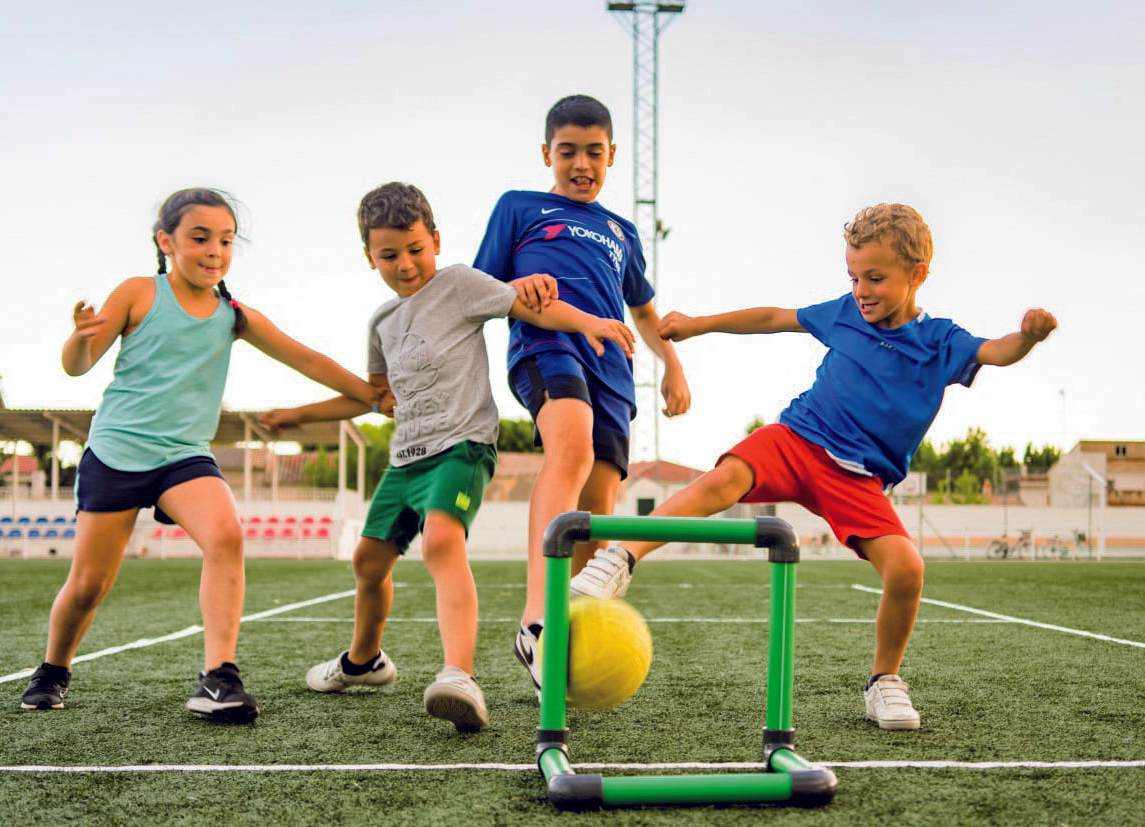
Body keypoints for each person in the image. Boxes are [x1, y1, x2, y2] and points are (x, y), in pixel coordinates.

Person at [570, 202, 1058, 730]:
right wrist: (699, 324)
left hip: (859, 479)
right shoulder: (845, 313)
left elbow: (997, 350)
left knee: (908, 570)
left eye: (875, 278)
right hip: (798, 439)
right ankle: (620, 558)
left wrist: (1028, 336)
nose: (862, 290)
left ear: (917, 275)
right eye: (853, 277)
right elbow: (773, 319)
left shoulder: (940, 341)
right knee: (726, 477)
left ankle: (884, 681)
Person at [261, 182, 634, 731]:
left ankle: (460, 673)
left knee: (440, 540)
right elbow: (373, 397)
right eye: (389, 255)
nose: (406, 264)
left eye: (416, 249)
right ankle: (363, 662)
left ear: (435, 240)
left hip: (461, 449)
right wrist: (297, 416)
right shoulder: (382, 324)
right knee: (367, 563)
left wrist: (589, 323)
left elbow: (533, 306)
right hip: (404, 461)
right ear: (370, 258)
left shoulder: (459, 284)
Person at [19, 187, 378, 723]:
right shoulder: (139, 292)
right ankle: (53, 670)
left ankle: (218, 678)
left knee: (226, 533)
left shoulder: (233, 315)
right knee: (90, 584)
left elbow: (307, 358)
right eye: (200, 238)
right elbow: (79, 365)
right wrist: (78, 338)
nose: (215, 250)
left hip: (183, 458)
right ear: (167, 241)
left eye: (226, 240)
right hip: (116, 453)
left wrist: (376, 396)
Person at [472, 94, 691, 696]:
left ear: (611, 155)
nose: (581, 163)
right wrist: (521, 285)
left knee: (598, 507)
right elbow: (482, 286)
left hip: (613, 372)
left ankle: (572, 630)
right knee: (567, 449)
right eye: (567, 151)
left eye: (594, 152)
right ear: (547, 153)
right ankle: (537, 619)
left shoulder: (622, 231)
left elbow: (643, 311)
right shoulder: (519, 207)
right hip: (549, 346)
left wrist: (672, 364)